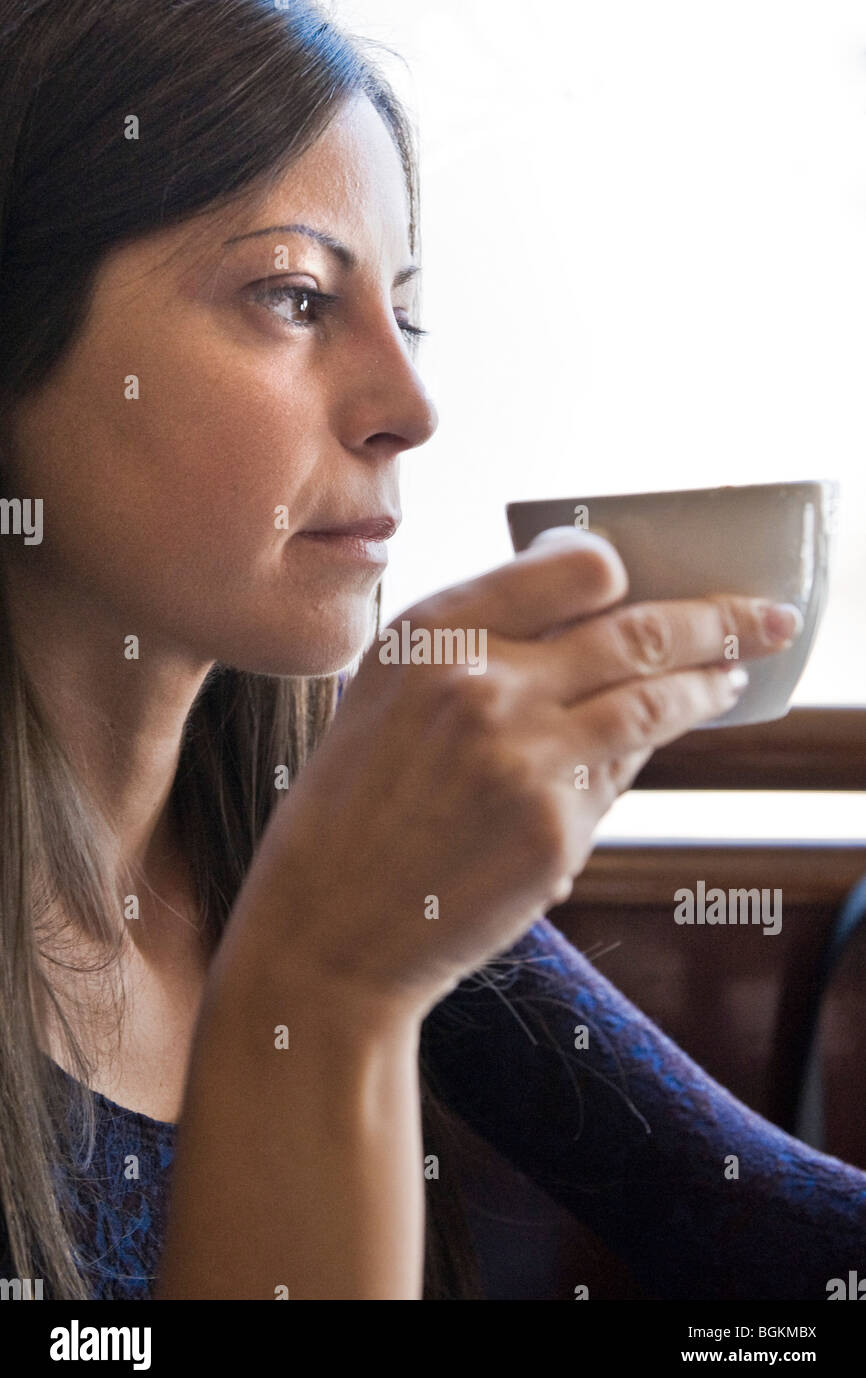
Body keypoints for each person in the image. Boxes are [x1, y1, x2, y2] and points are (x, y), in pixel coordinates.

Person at [0, 0, 862, 1302]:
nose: (409, 408)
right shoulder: (344, 883)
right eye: (294, 296)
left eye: (404, 314)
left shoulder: (317, 825)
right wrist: (326, 976)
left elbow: (778, 1242)